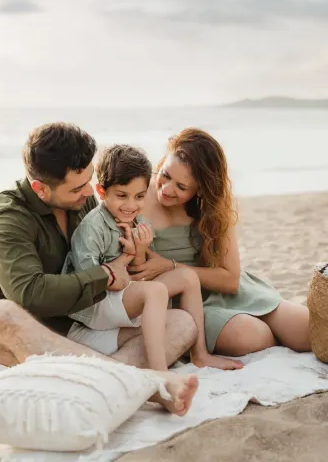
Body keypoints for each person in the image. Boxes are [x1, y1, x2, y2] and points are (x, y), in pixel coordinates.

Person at [0, 123, 199, 416]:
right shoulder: (5, 220)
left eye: (89, 180)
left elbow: (120, 259)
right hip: (17, 342)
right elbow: (30, 295)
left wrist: (135, 253)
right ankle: (147, 383)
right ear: (40, 188)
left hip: (77, 329)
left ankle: (106, 382)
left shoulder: (82, 200)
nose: (90, 192)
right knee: (0, 314)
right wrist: (105, 274)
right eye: (77, 188)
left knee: (181, 323)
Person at [129, 128, 311, 357]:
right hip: (185, 302)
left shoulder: (212, 208)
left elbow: (230, 280)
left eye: (181, 187)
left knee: (309, 330)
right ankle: (274, 338)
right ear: (163, 160)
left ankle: (280, 333)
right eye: (165, 175)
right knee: (253, 336)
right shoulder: (136, 196)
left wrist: (170, 265)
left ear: (201, 190)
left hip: (225, 289)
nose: (167, 189)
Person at [66, 144, 242, 371]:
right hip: (96, 302)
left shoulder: (136, 220)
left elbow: (138, 271)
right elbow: (89, 281)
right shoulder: (93, 227)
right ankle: (159, 372)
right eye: (122, 196)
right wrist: (125, 259)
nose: (131, 205)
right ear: (102, 192)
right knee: (155, 291)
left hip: (123, 294)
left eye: (139, 196)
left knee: (187, 277)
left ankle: (200, 355)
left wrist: (139, 251)